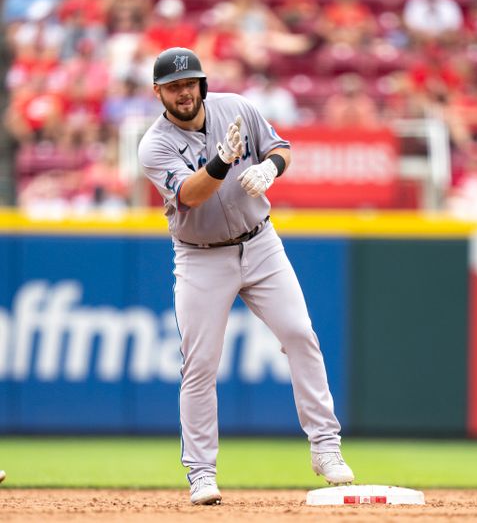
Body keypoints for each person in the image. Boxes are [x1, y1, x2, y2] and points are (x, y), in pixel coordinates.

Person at [137, 47, 354, 506]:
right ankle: (201, 472)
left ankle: (326, 448)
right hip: (201, 257)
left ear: (201, 83)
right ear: (159, 93)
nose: (184, 93)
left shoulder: (235, 107)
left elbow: (282, 147)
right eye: (174, 87)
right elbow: (192, 196)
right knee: (200, 365)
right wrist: (220, 162)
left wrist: (269, 167)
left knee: (300, 335)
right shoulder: (154, 145)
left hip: (260, 242)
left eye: (189, 83)